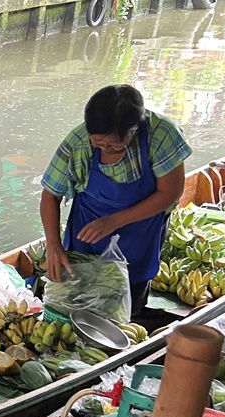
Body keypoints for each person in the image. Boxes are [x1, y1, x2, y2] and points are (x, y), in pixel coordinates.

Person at [40, 84, 192, 316]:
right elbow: (51, 195)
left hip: (141, 229)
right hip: (88, 227)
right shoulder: (77, 143)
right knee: (80, 295)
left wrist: (114, 222)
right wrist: (53, 244)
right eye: (97, 142)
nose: (102, 149)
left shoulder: (160, 134)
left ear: (132, 132)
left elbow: (169, 194)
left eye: (111, 145)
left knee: (130, 300)